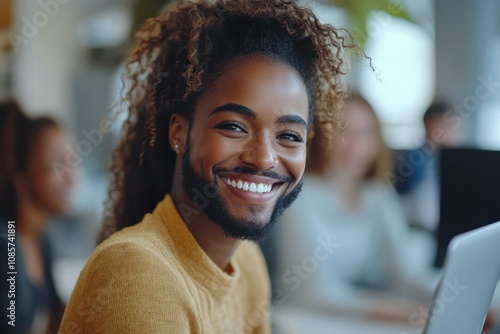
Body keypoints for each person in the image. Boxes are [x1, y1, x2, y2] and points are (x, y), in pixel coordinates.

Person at [59, 0, 352, 333]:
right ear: (180, 133)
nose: (264, 158)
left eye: (288, 135)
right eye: (234, 127)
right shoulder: (137, 273)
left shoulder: (245, 262)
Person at [271, 93, 431, 324]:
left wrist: (450, 296)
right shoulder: (298, 194)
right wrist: (407, 314)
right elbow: (312, 292)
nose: (357, 144)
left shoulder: (378, 195)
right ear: (322, 135)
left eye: (366, 133)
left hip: (352, 314)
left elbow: (405, 274)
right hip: (301, 320)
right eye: (344, 131)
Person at [0, 99, 75, 334]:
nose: (71, 178)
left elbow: (55, 317)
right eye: (57, 164)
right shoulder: (7, 243)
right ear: (21, 174)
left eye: (71, 162)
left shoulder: (41, 240)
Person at [395, 102, 459, 231]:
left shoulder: (462, 163)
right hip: (419, 229)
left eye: (449, 127)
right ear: (426, 128)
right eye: (438, 128)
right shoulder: (416, 160)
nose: (444, 134)